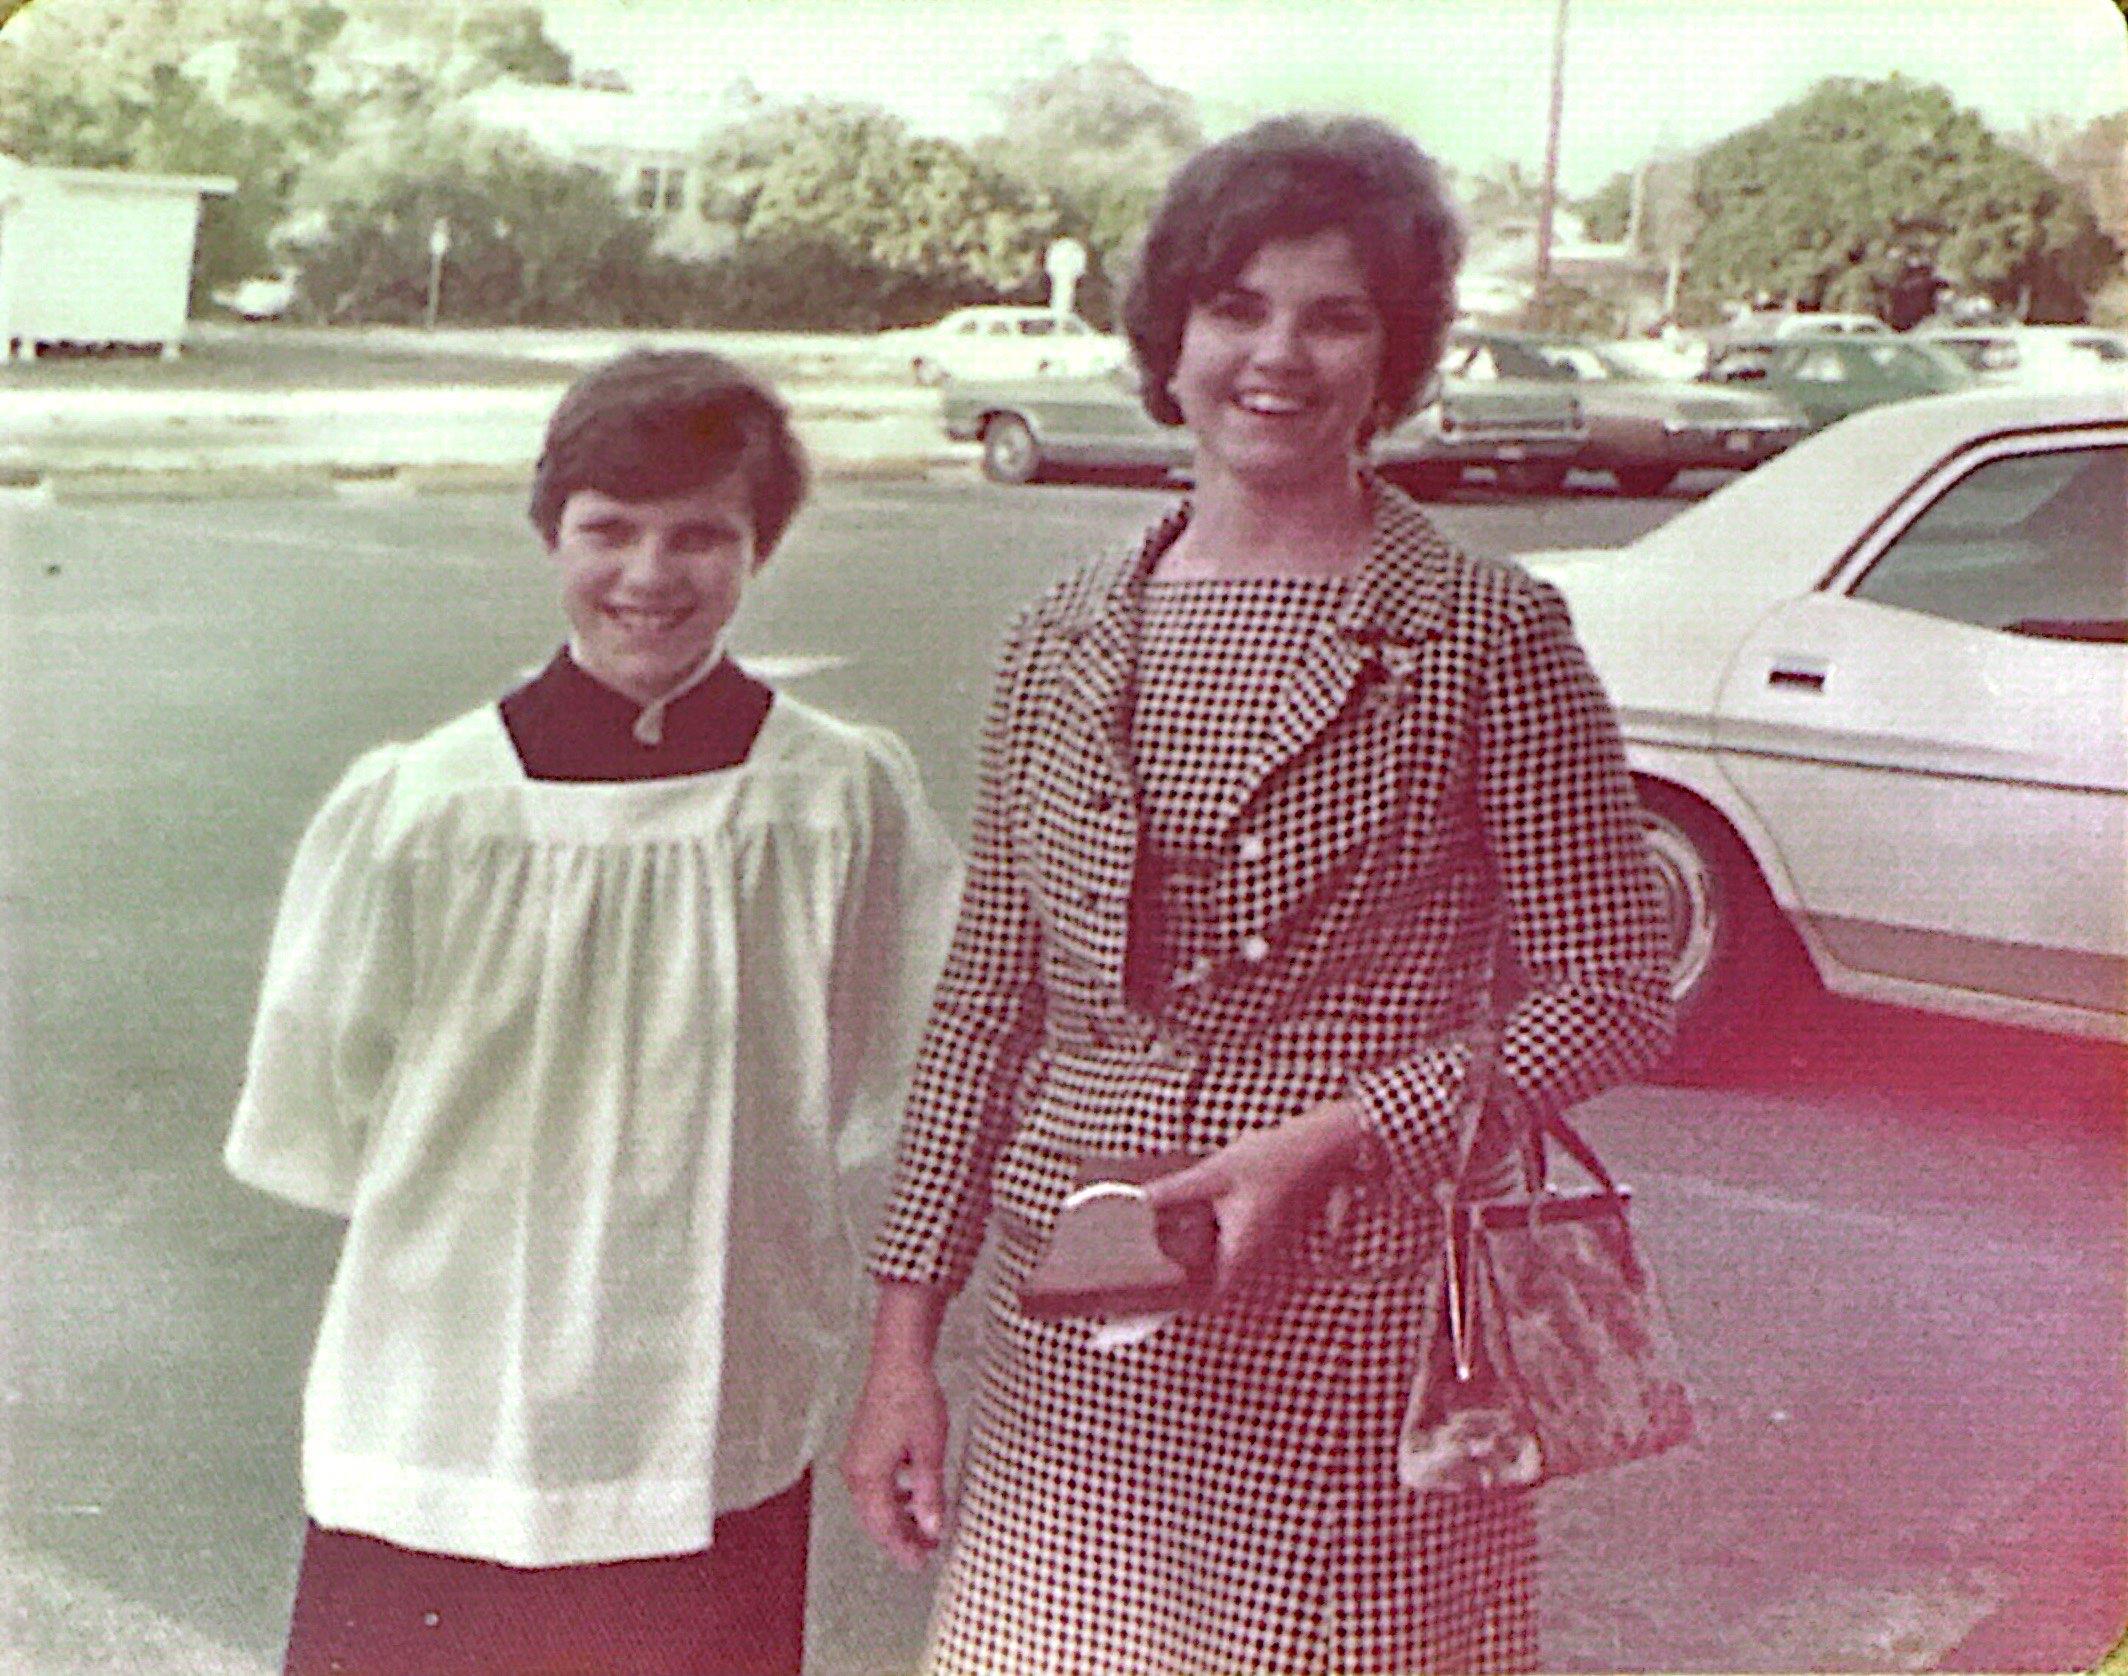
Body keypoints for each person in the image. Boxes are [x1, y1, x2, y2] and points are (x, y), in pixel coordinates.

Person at [842, 115, 1674, 1675]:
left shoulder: (1490, 633)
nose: (1275, 354)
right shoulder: (1058, 636)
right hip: (1082, 1320)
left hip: (1358, 1316)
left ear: (1397, 352)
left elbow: (1616, 986)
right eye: (1237, 305)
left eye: (1335, 313)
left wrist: (1341, 1135)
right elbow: (980, 1012)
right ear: (1173, 332)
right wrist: (904, 1347)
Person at [226, 350, 958, 1676]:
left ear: (758, 548)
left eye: (701, 536)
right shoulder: (434, 806)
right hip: (452, 1385)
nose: (649, 575)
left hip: (710, 1399)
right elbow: (329, 1101)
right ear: (549, 532)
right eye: (607, 530)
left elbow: (871, 1061)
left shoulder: (835, 797)